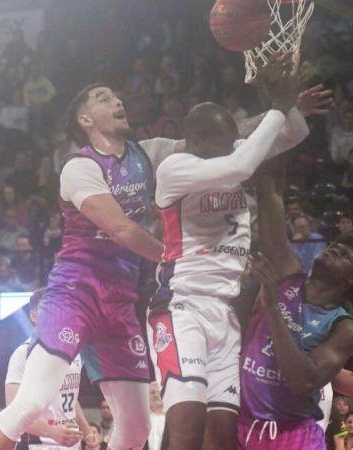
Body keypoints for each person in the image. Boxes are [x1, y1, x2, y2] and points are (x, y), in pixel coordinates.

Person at [148, 61, 325, 450]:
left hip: (225, 311)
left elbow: (290, 134)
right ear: (197, 140)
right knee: (188, 427)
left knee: (224, 437)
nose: (233, 145)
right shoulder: (175, 168)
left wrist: (289, 104)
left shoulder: (226, 152)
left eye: (234, 139)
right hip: (182, 306)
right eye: (224, 141)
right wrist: (278, 108)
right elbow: (243, 162)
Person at [0, 82, 165, 450]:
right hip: (76, 292)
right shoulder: (79, 166)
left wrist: (280, 112)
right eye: (104, 98)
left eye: (117, 94)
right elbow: (121, 228)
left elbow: (214, 139)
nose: (117, 99)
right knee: (29, 403)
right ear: (86, 119)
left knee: (138, 427)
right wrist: (178, 256)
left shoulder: (149, 153)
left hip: (120, 300)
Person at [236, 164, 353, 450]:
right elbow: (272, 196)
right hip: (245, 425)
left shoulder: (343, 327)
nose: (336, 247)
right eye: (337, 244)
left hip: (293, 436)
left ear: (352, 278)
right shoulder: (288, 274)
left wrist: (272, 308)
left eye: (347, 253)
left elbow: (303, 381)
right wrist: (282, 129)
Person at [5, 290, 88, 450]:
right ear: (33, 316)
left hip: (70, 443)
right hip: (37, 443)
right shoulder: (23, 353)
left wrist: (86, 429)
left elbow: (68, 397)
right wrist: (51, 432)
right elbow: (12, 411)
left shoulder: (74, 351)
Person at [147, 382, 166, 450]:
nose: (156, 395)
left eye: (159, 392)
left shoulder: (173, 419)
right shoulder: (141, 421)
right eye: (152, 392)